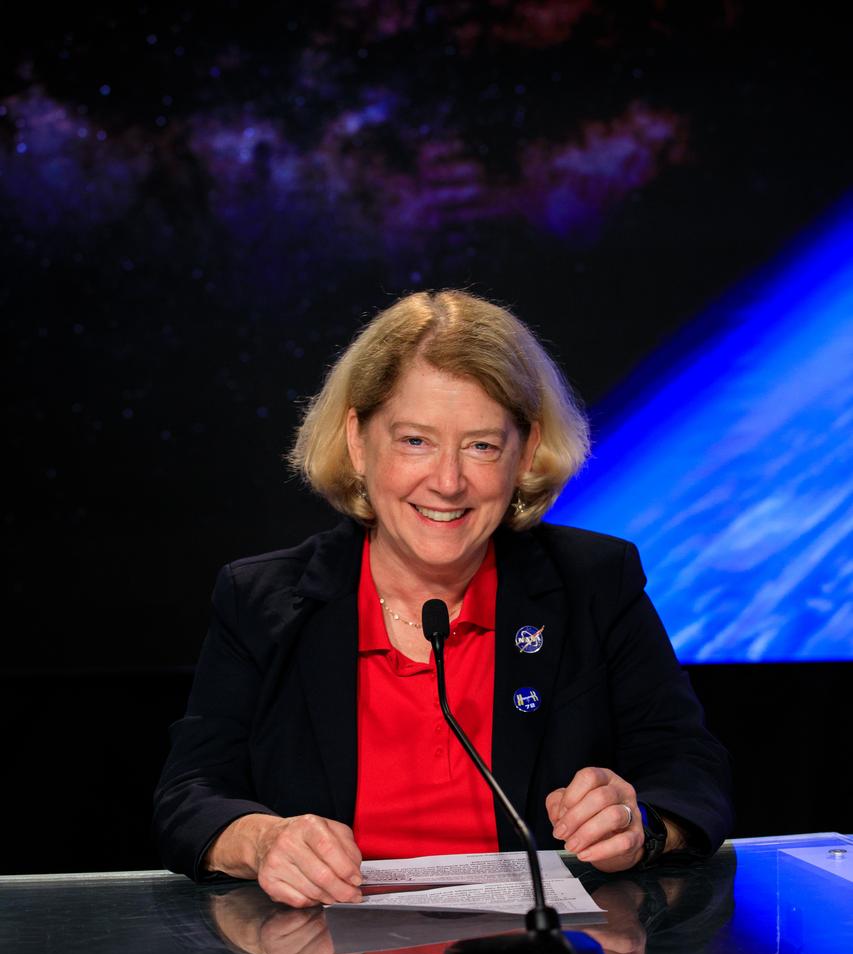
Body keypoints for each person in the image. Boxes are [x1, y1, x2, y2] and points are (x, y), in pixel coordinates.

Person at [154, 289, 733, 906]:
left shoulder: (594, 581)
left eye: (482, 445)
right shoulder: (261, 599)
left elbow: (689, 771)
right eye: (415, 441)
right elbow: (189, 795)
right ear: (357, 441)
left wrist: (641, 826)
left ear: (526, 450)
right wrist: (263, 839)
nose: (449, 481)